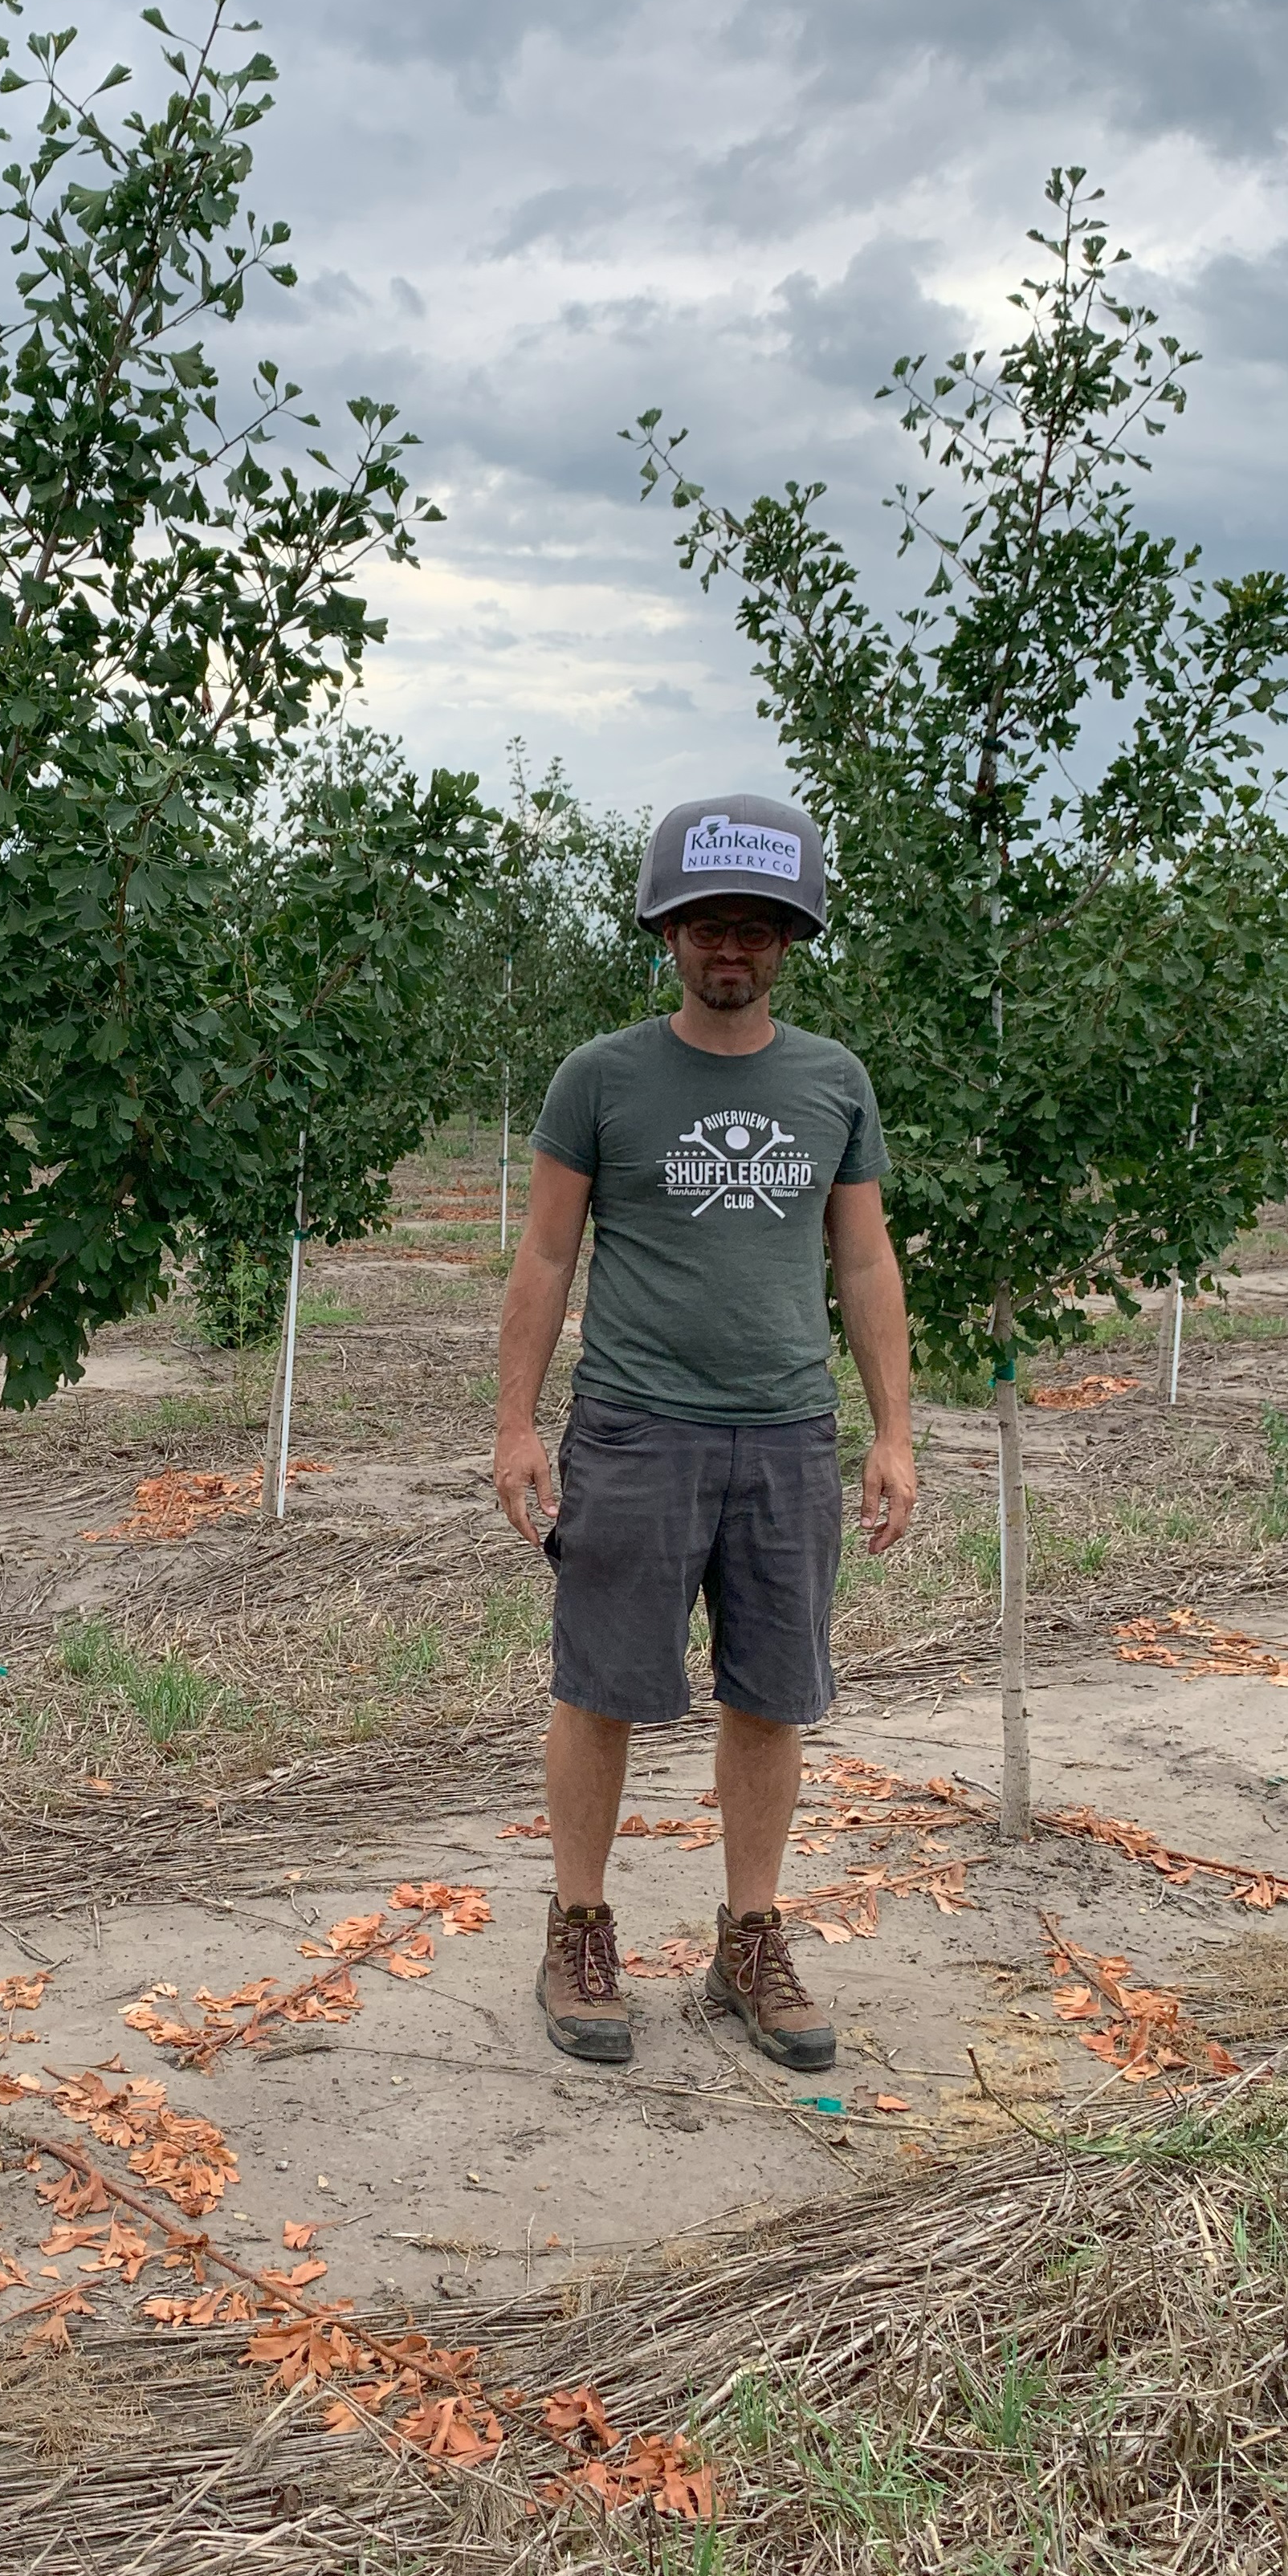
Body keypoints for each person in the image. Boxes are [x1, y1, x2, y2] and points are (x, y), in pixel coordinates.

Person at [491, 792, 916, 2070]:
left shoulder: (832, 1081)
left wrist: (893, 1430)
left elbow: (865, 1260)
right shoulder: (602, 1079)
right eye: (705, 925)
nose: (729, 948)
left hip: (787, 1436)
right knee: (602, 1688)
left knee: (770, 1697)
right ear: (667, 932)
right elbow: (547, 1254)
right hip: (635, 1430)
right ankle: (578, 1929)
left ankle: (749, 1939)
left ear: (789, 939)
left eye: (756, 927)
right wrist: (515, 1423)